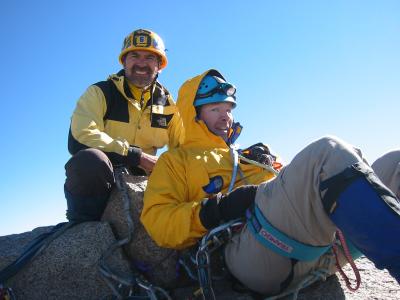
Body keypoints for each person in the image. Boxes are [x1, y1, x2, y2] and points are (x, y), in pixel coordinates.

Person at [141, 69, 400, 297]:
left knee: (395, 163)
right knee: (328, 150)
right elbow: (158, 222)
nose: (226, 117)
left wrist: (273, 166)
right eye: (215, 109)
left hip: (316, 249)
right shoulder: (176, 161)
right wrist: (216, 208)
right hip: (251, 258)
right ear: (194, 114)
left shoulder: (245, 157)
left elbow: (296, 190)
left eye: (229, 109)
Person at [65, 29, 184, 223]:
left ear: (160, 65)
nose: (141, 63)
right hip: (102, 179)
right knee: (89, 161)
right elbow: (81, 135)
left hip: (147, 183)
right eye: (134, 55)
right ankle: (85, 228)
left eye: (150, 58)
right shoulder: (100, 92)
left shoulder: (168, 105)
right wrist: (136, 156)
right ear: (124, 61)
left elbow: (182, 147)